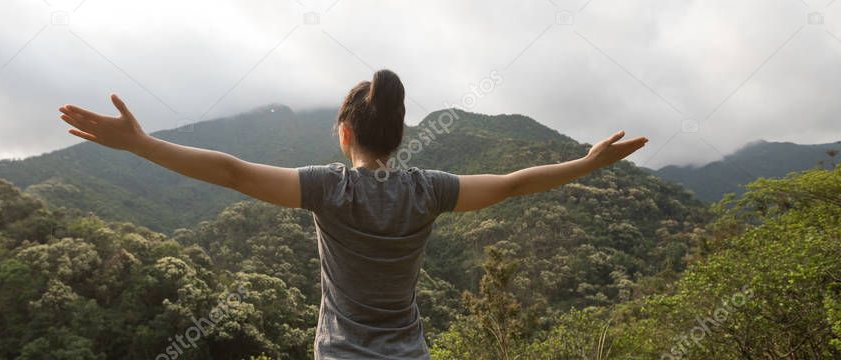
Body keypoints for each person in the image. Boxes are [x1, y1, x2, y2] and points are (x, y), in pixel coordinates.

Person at [58, 69, 647, 359]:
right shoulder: (431, 189)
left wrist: (140, 143)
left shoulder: (327, 189)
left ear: (345, 134)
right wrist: (586, 164)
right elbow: (516, 184)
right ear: (399, 134)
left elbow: (232, 172)